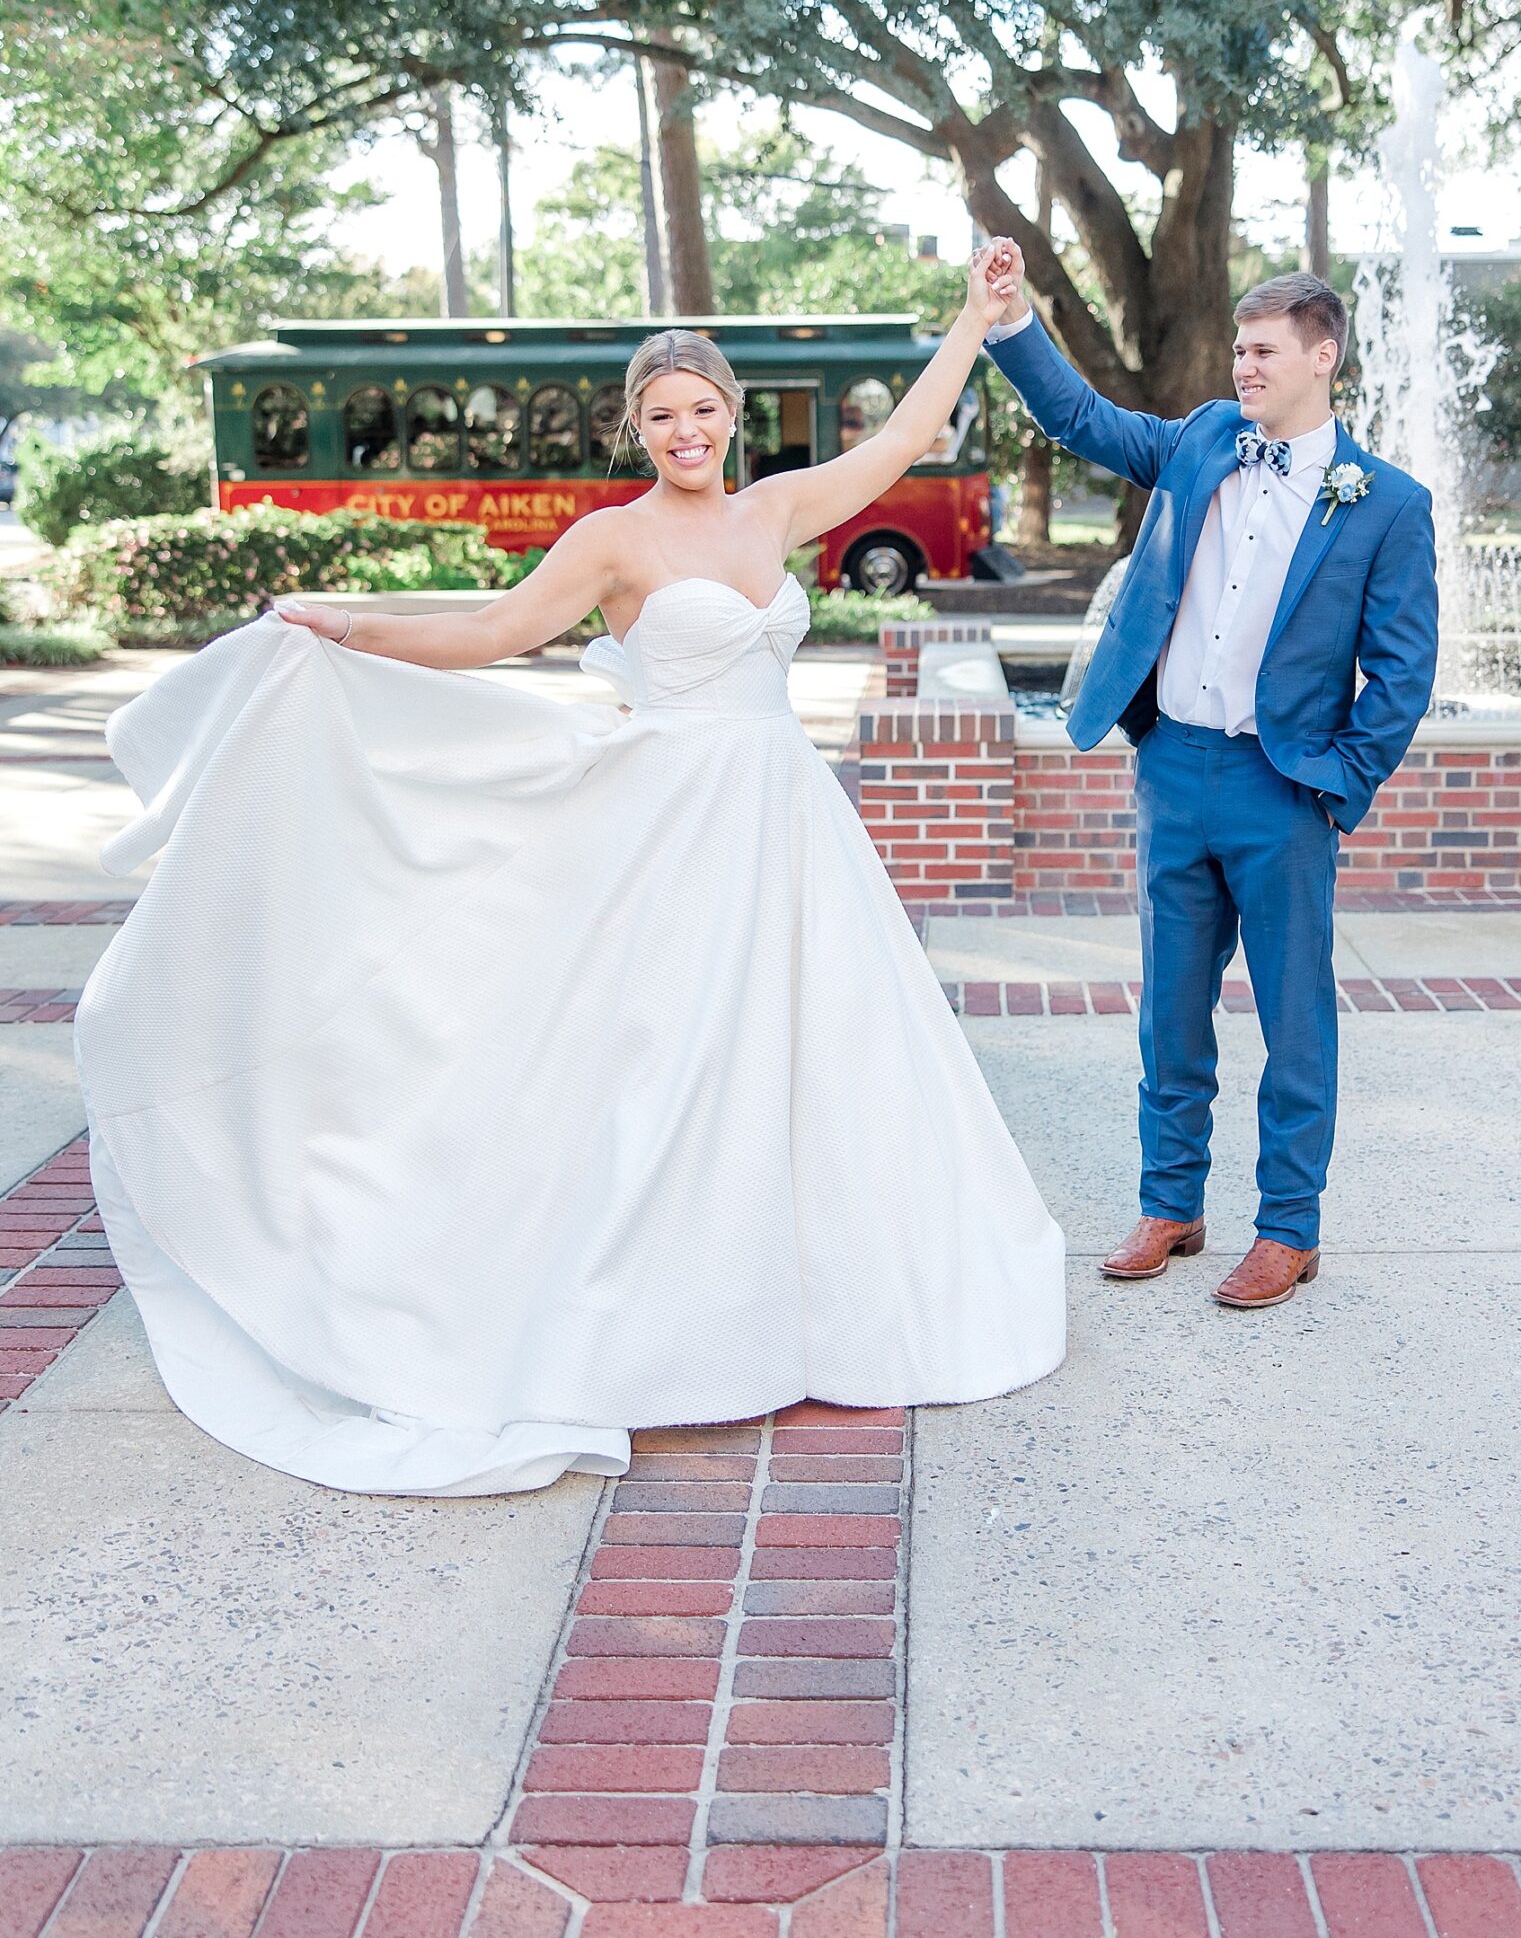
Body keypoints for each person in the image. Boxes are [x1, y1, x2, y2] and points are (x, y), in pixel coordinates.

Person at [75, 267, 1065, 1496]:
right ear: (635, 428)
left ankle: (824, 1302)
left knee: (822, 1051)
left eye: (702, 408)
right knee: (669, 1063)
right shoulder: (616, 538)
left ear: (731, 414)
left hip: (790, 824)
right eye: (662, 415)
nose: (686, 430)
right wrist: (350, 630)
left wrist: (976, 319)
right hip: (672, 824)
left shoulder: (777, 512)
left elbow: (912, 435)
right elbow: (494, 632)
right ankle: (652, 1326)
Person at [981, 253, 1437, 1308]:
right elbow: (1086, 421)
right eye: (1239, 345)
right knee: (1170, 1011)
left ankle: (1288, 1228)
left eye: (1265, 348)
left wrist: (1338, 782)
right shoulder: (1198, 442)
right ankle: (1170, 1202)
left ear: (1323, 357)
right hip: (1172, 768)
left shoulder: (1386, 504)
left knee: (1294, 1019)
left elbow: (1404, 670)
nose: (1244, 363)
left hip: (1283, 790)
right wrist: (1012, 325)